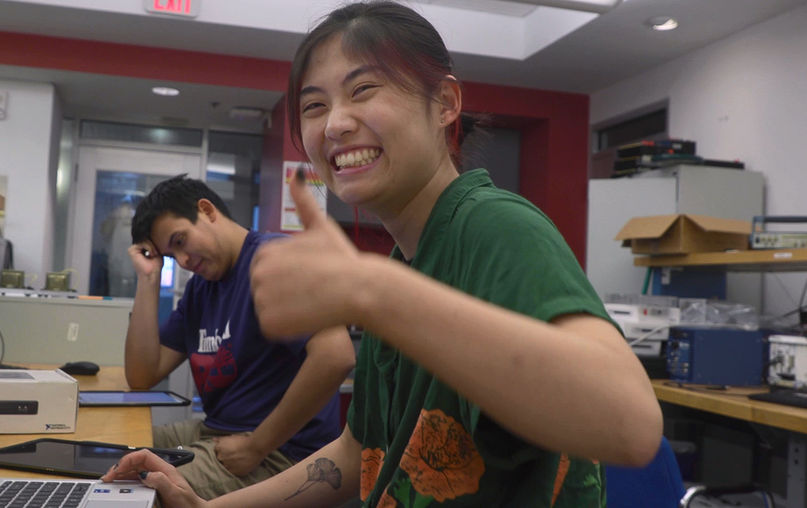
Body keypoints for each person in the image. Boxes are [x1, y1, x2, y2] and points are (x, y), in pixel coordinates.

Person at [103, 2, 664, 506]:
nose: (336, 124)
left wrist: (370, 291)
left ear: (444, 103)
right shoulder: (405, 260)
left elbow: (632, 427)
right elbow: (356, 453)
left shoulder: (494, 226)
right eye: (315, 104)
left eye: (364, 90)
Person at [121, 175, 356, 500]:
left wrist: (255, 447)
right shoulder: (200, 290)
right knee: (113, 451)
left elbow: (337, 356)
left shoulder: (273, 261)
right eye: (172, 256)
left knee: (138, 492)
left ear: (206, 210)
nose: (184, 261)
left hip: (280, 453)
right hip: (216, 430)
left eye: (180, 241)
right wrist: (148, 279)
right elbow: (142, 376)